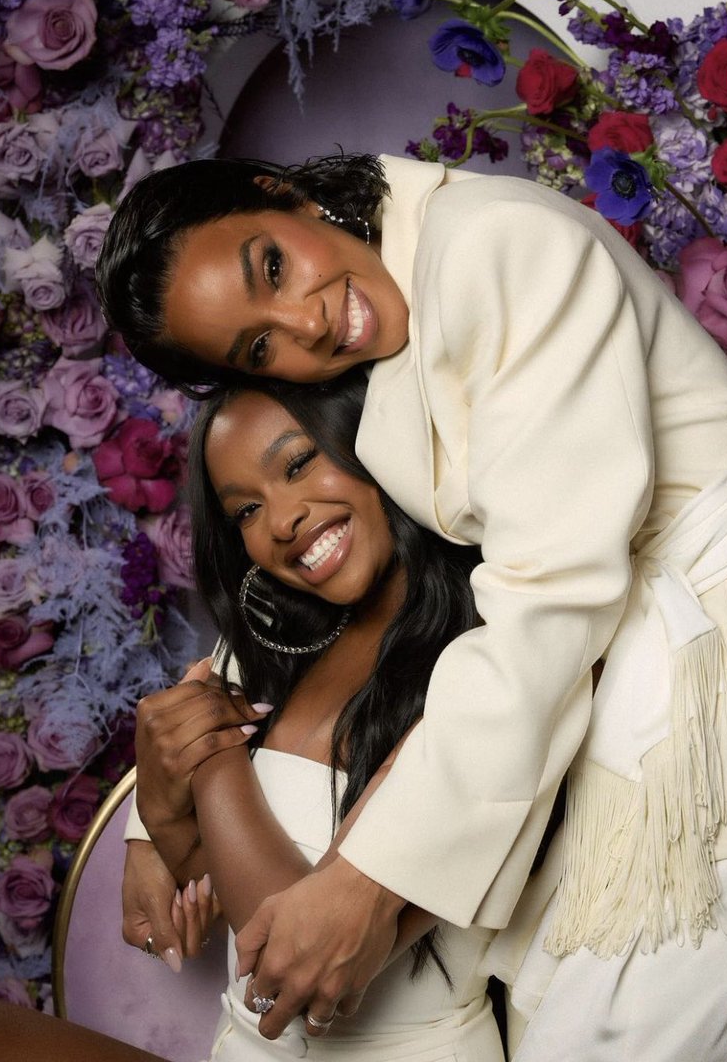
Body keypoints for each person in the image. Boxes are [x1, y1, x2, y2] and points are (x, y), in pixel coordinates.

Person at [97, 153, 727, 1060]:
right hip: (613, 739)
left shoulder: (495, 245)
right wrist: (157, 819)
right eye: (259, 346)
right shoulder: (382, 324)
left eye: (271, 265)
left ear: (280, 192)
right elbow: (317, 590)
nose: (303, 319)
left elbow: (548, 596)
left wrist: (368, 878)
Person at [133, 371, 504, 1060]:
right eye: (245, 510)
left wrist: (210, 757)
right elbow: (230, 891)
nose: (280, 521)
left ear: (375, 439)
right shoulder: (289, 645)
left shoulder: (492, 658)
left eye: (299, 462)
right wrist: (158, 823)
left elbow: (292, 974)